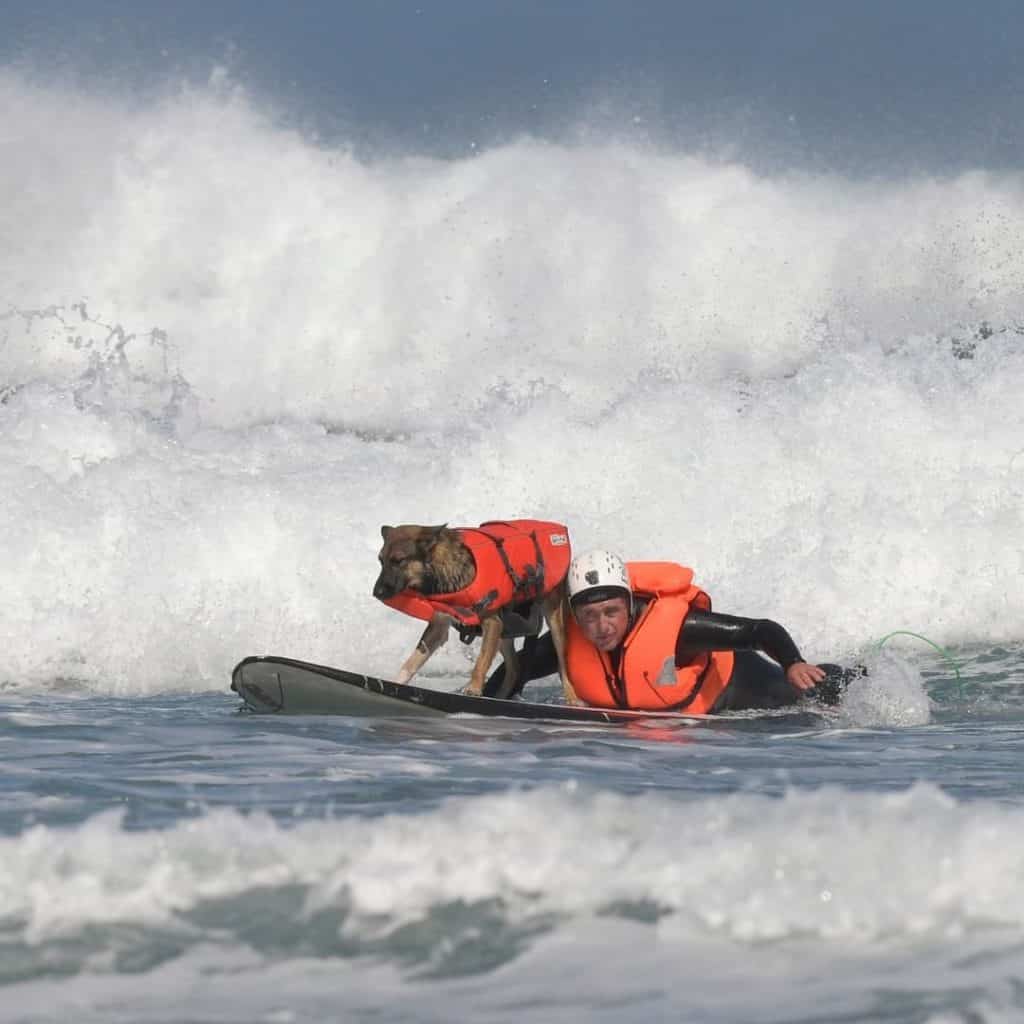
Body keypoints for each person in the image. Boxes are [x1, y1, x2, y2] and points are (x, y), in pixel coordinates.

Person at [484, 550, 858, 712]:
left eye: (612, 612)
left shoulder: (679, 630)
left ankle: (856, 675)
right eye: (590, 616)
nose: (602, 626)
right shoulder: (574, 637)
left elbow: (761, 630)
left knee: (813, 693)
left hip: (743, 685)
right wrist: (486, 703)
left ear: (629, 605)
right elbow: (520, 668)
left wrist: (793, 662)